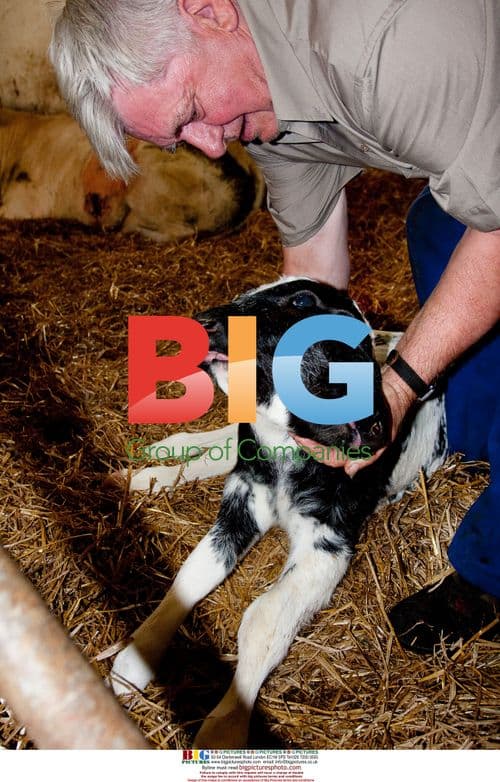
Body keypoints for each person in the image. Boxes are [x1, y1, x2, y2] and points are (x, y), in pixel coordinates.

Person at [49, 0, 500, 653]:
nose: (211, 144)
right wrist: (263, 429)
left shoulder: (388, 40)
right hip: (476, 126)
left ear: (208, 12)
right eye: (181, 141)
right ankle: (476, 440)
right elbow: (312, 275)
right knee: (436, 230)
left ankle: (490, 571)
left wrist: (395, 391)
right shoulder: (250, 95)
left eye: (191, 113)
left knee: (465, 245)